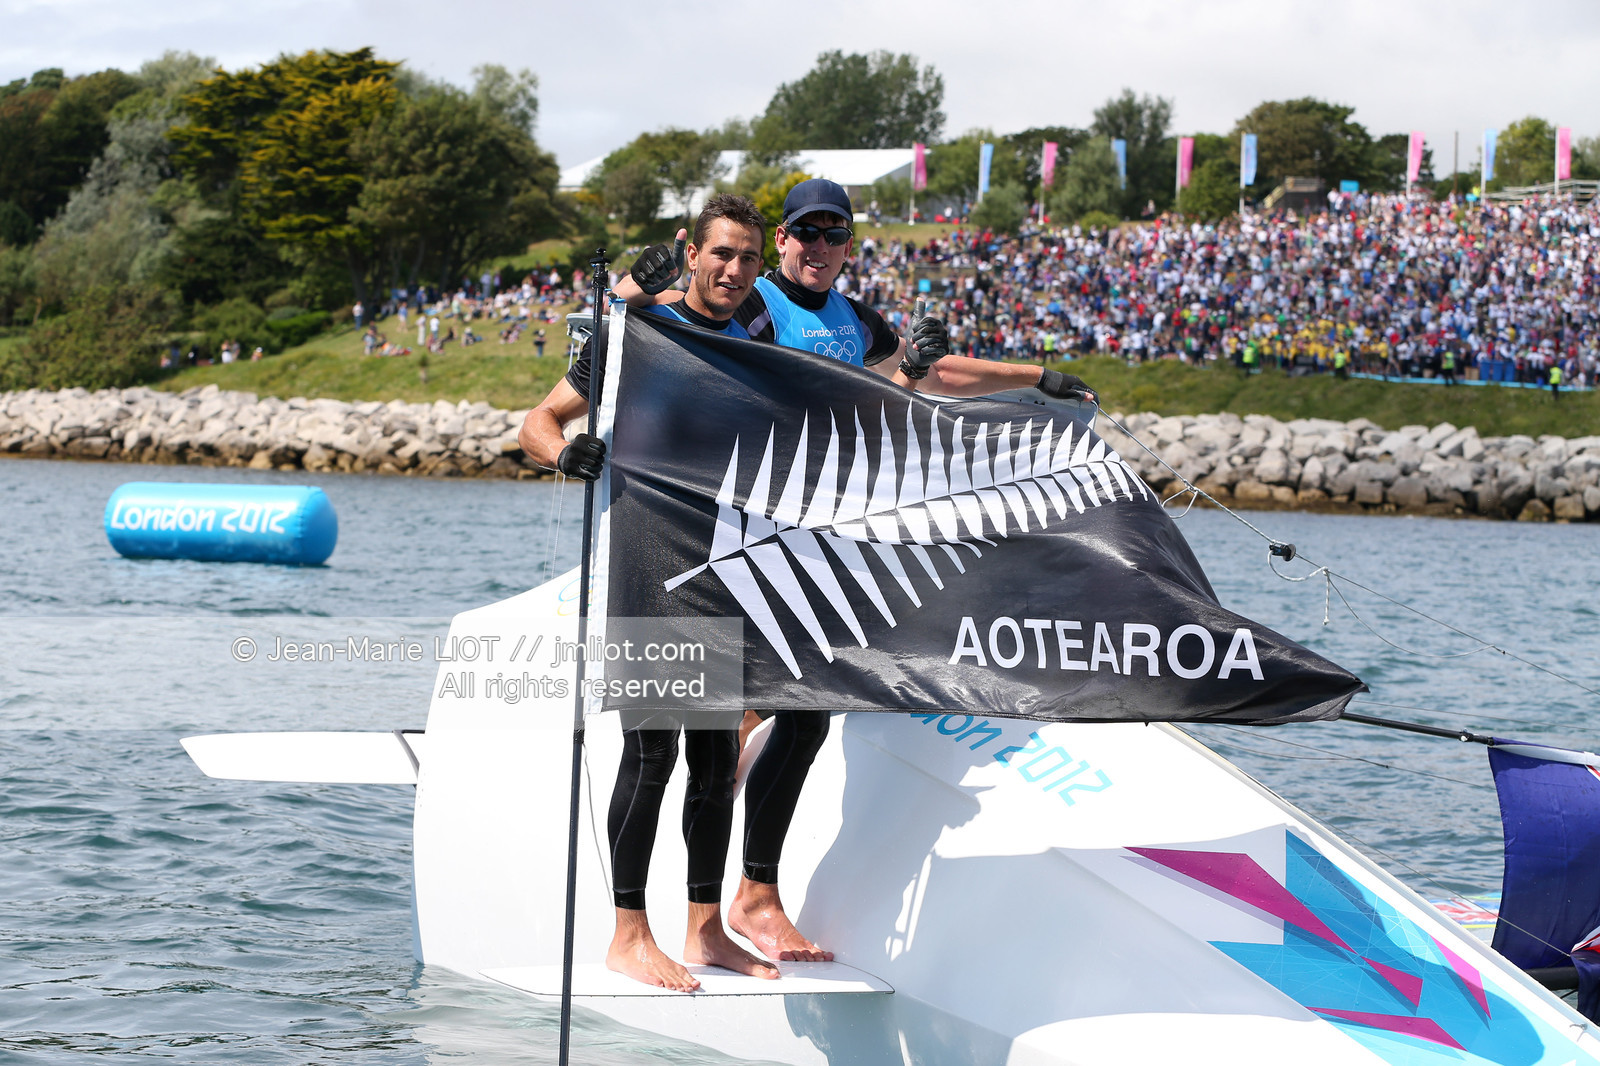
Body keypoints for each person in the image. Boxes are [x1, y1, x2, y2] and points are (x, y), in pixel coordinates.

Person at [613, 179, 1095, 965]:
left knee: (804, 713)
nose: (817, 248)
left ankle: (750, 894)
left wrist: (1035, 378)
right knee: (753, 723)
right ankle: (700, 900)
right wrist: (635, 282)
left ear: (847, 245)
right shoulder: (751, 303)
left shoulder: (853, 316)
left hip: (815, 541)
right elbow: (651, 319)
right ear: (783, 239)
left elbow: (926, 374)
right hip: (740, 537)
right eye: (804, 233)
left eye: (833, 236)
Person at [518, 194, 782, 993]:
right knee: (653, 752)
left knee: (713, 762)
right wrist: (569, 456)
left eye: (747, 260)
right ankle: (628, 935)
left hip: (722, 570)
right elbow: (536, 423)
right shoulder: (635, 338)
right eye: (721, 255)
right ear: (692, 253)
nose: (733, 271)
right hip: (647, 563)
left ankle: (706, 931)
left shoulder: (758, 346)